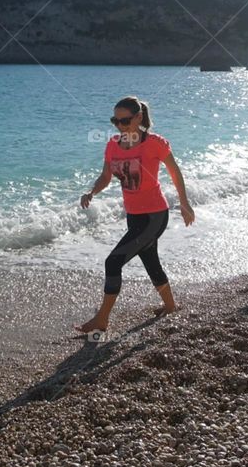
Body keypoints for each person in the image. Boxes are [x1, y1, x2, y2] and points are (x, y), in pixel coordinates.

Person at [75, 95, 195, 333]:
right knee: (150, 260)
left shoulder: (154, 143)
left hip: (155, 216)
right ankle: (170, 306)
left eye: (125, 121)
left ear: (138, 117)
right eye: (115, 121)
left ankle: (102, 319)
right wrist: (92, 191)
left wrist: (184, 203)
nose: (120, 126)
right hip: (134, 215)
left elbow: (174, 172)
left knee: (113, 261)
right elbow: (106, 177)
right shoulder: (113, 145)